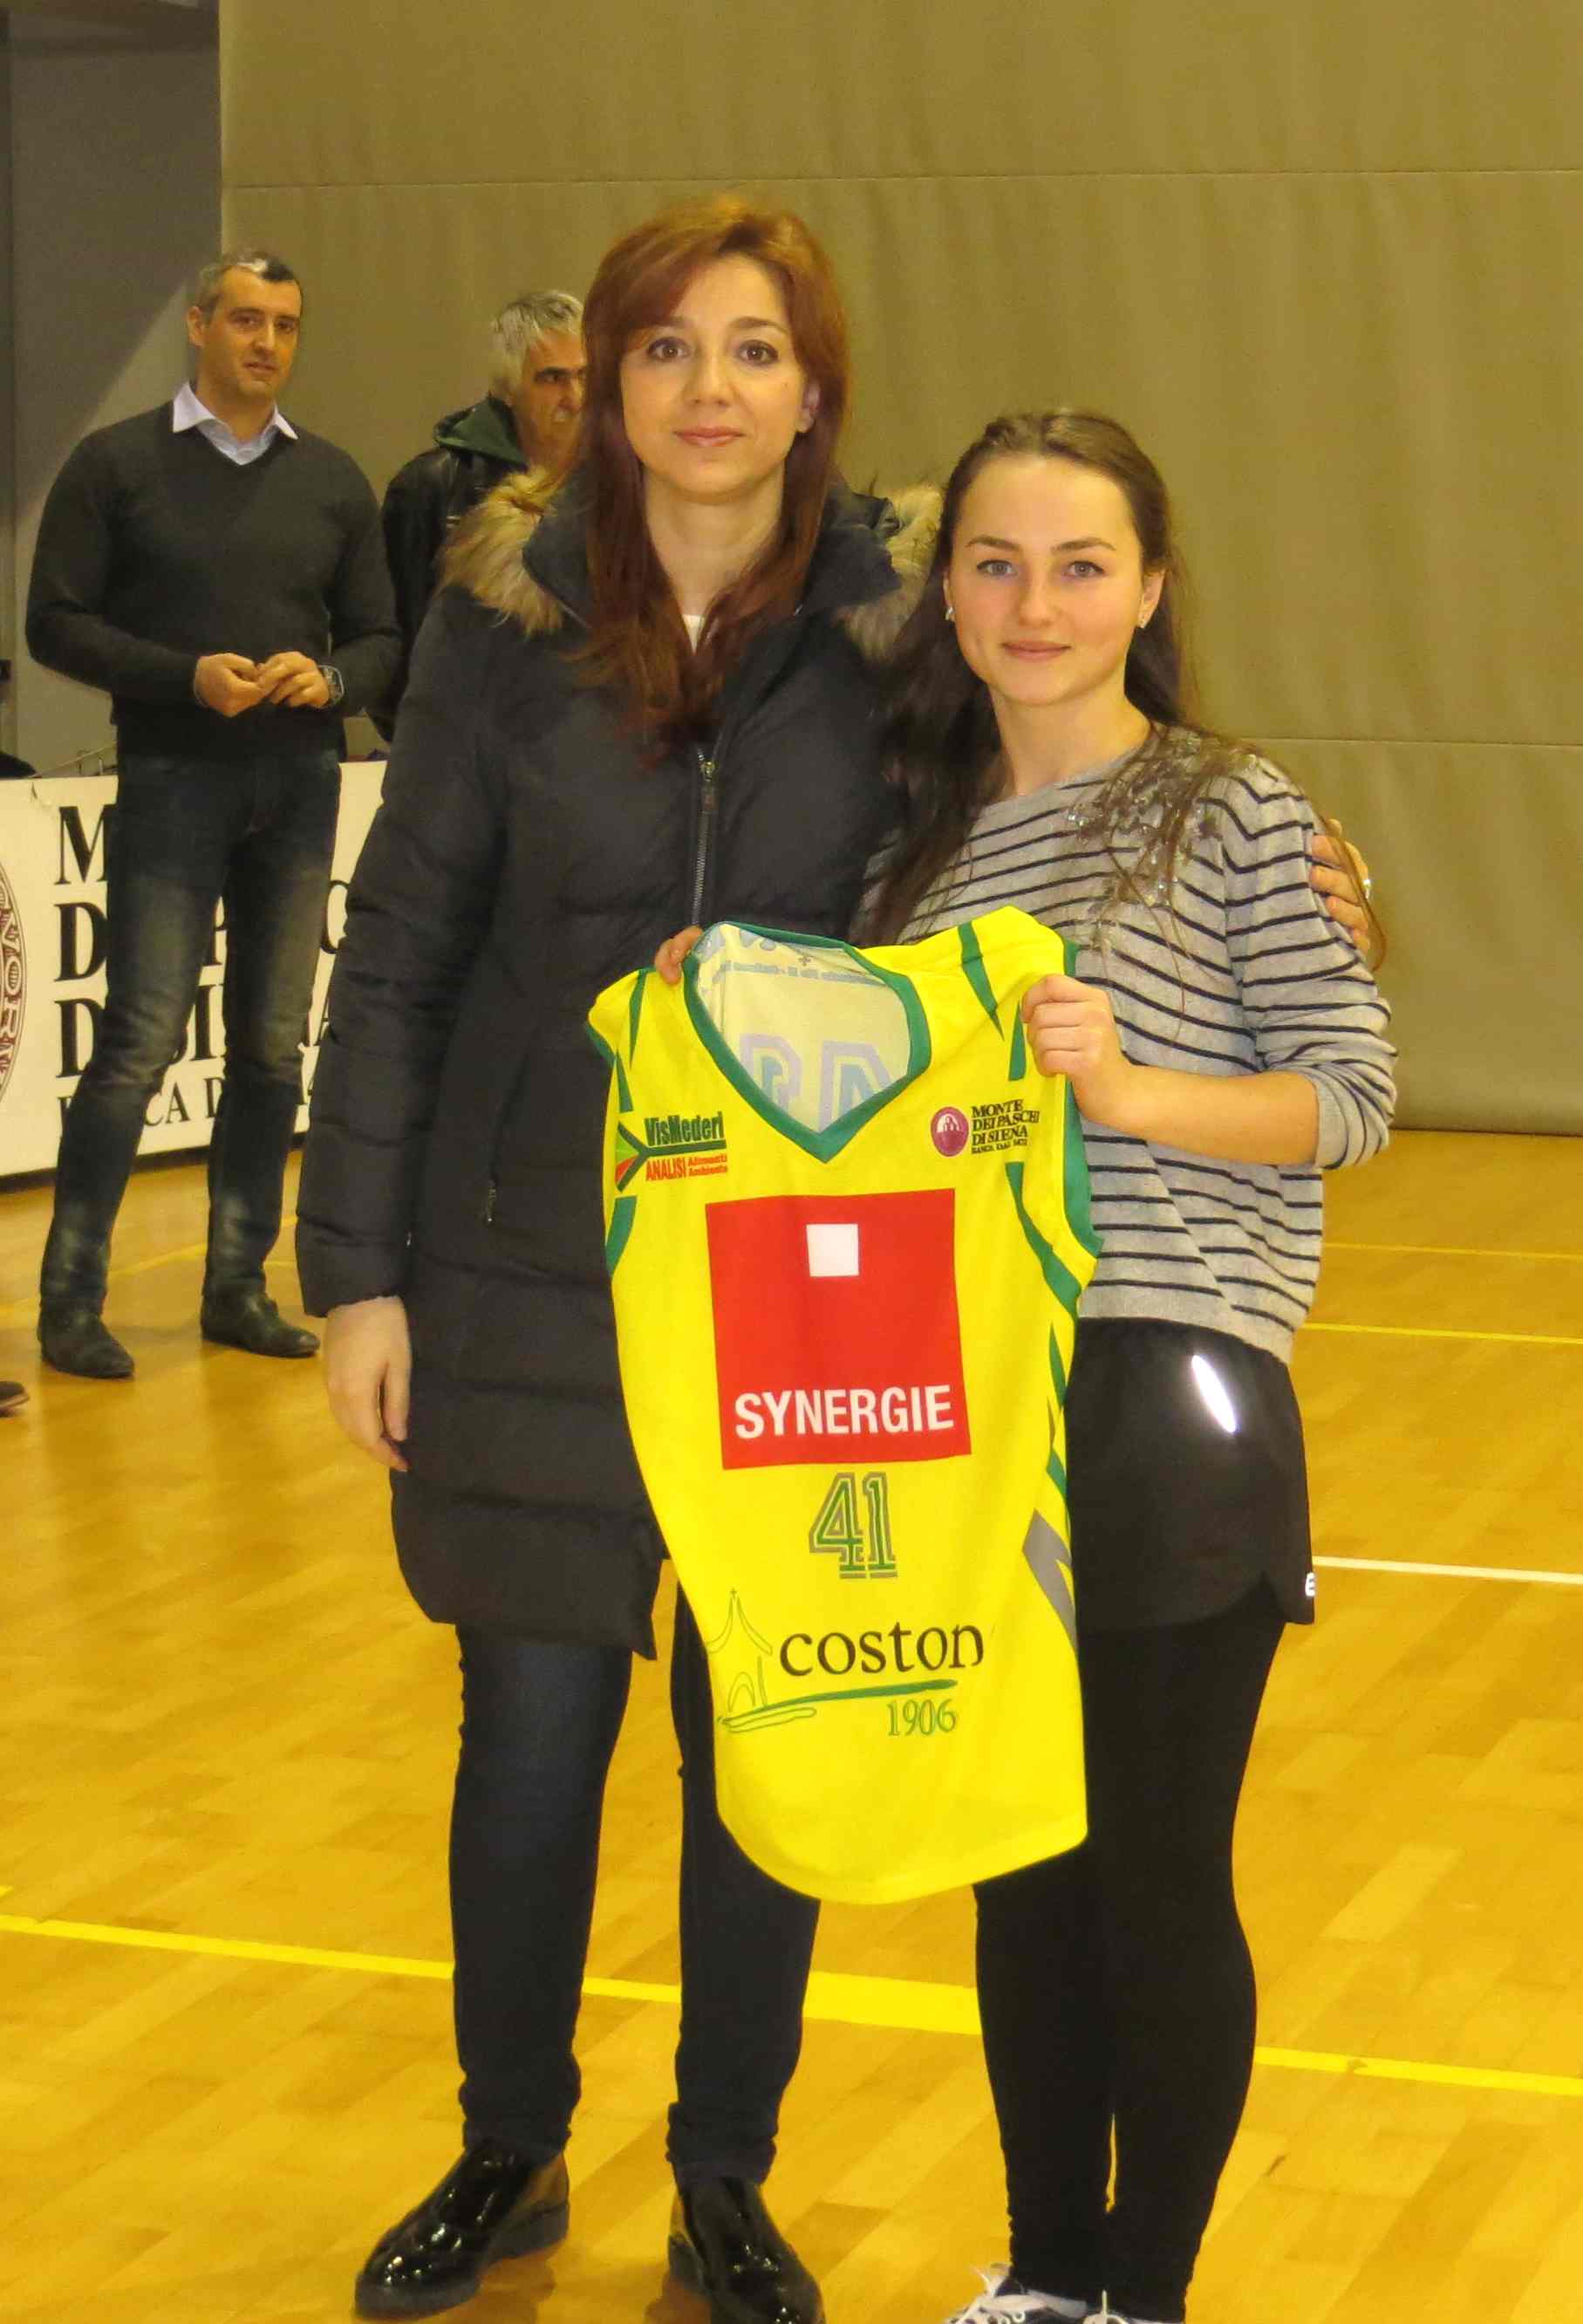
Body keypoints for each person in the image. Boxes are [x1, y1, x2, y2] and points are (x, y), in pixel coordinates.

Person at [295, 195, 935, 2324]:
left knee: (764, 1753)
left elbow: (1043, 809)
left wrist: (1267, 845)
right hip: (522, 1268)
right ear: (601, 387)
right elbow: (401, 948)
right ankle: (507, 2149)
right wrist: (356, 1272)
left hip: (798, 1281)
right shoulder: (502, 625)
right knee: (529, 1740)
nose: (706, 389)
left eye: (751, 349)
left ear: (813, 390)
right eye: (665, 348)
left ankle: (725, 2174)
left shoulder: (891, 627)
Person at [857, 410, 1395, 2324]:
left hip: (1175, 1389)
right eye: (995, 563)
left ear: (1150, 588)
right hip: (972, 1404)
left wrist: (1129, 1087)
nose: (1036, 603)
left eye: (1081, 565)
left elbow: (1350, 1095)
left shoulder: (1233, 810)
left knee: (1157, 1873)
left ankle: (1147, 2295)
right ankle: (1047, 2275)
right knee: (1023, 1870)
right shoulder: (910, 842)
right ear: (946, 589)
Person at [25, 247, 399, 1382]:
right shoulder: (116, 464)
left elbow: (382, 639)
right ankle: (70, 1304)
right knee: (138, 1041)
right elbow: (53, 623)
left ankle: (238, 1286)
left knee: (274, 1051)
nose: (266, 342)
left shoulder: (331, 478)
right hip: (173, 777)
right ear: (198, 326)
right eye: (245, 320)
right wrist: (184, 677)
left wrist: (330, 680)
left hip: (299, 781)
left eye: (285, 324)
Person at [376, 290, 586, 731]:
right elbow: (395, 653)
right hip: (465, 747)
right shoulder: (433, 488)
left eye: (586, 375)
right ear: (507, 390)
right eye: (552, 378)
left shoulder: (633, 483)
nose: (575, 396)